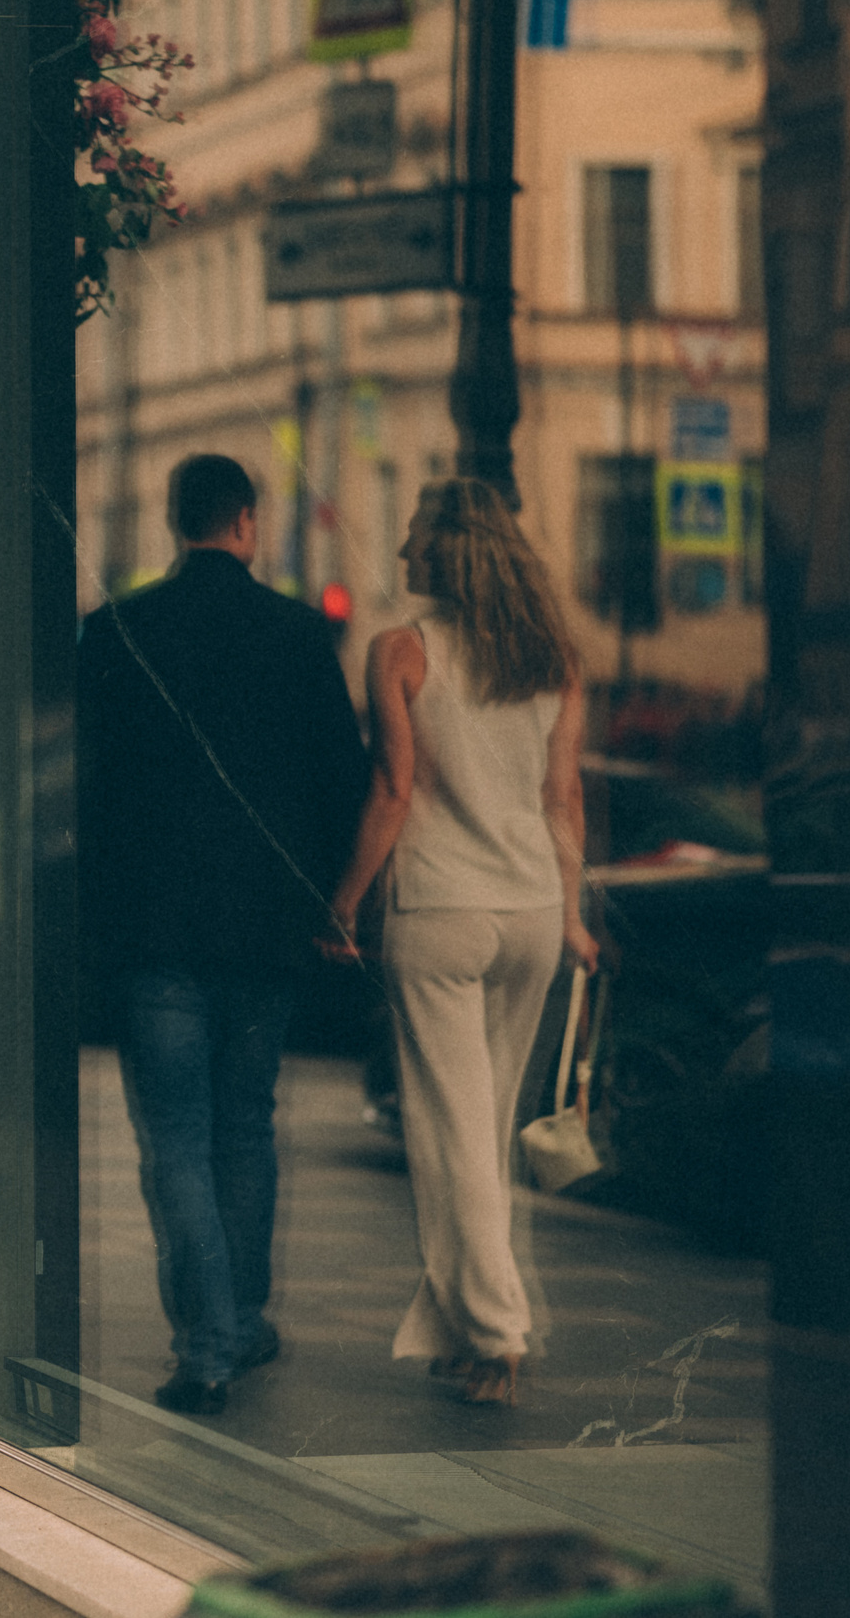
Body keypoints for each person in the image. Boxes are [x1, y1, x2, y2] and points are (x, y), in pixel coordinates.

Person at [77, 453, 369, 1417]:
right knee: (247, 1124)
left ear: (176, 521)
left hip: (156, 931)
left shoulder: (116, 633)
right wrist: (335, 901)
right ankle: (239, 1321)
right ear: (244, 521)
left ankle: (207, 1342)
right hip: (269, 932)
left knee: (175, 1140)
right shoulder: (296, 633)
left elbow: (87, 795)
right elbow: (341, 780)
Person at [324, 480, 597, 1408]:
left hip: (441, 911)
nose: (403, 556)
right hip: (527, 912)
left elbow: (393, 790)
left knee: (452, 1137)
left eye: (413, 540)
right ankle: (461, 1332)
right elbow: (564, 798)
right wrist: (569, 915)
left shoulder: (401, 650)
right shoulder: (552, 656)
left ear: (448, 551)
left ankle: (497, 1332)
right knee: (482, 1132)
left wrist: (346, 900)